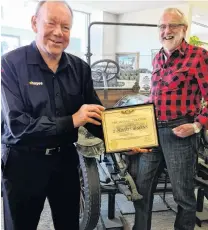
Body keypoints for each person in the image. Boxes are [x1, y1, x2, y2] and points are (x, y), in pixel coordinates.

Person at [1, 1, 106, 230]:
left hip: (65, 161)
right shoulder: (10, 64)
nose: (59, 32)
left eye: (66, 27)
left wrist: (126, 141)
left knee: (69, 224)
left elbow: (96, 117)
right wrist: (73, 120)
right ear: (34, 23)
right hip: (23, 163)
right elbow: (18, 126)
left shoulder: (80, 68)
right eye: (51, 23)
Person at [132, 8, 208, 230]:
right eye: (162, 26)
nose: (167, 31)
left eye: (173, 25)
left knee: (183, 195)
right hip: (151, 130)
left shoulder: (198, 56)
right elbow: (157, 95)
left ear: (184, 29)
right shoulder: (158, 56)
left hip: (179, 132)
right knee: (141, 190)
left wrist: (196, 126)